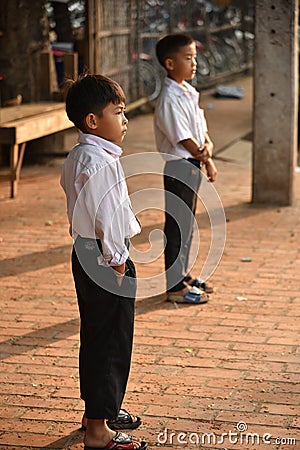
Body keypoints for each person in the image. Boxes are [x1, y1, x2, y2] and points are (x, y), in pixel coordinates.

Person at [60, 73, 147, 450]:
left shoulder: (82, 154)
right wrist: (117, 262)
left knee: (98, 336)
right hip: (104, 256)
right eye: (119, 112)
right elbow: (108, 218)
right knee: (111, 339)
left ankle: (99, 411)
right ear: (93, 121)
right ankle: (98, 431)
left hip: (86, 251)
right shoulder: (100, 163)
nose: (125, 120)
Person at [154, 33, 217, 304]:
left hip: (193, 164)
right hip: (179, 166)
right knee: (178, 225)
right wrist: (203, 155)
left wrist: (208, 150)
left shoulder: (188, 92)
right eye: (188, 58)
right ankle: (175, 286)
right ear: (170, 63)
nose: (194, 63)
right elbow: (182, 137)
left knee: (188, 224)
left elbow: (199, 130)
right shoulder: (169, 98)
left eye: (195, 58)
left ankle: (183, 274)